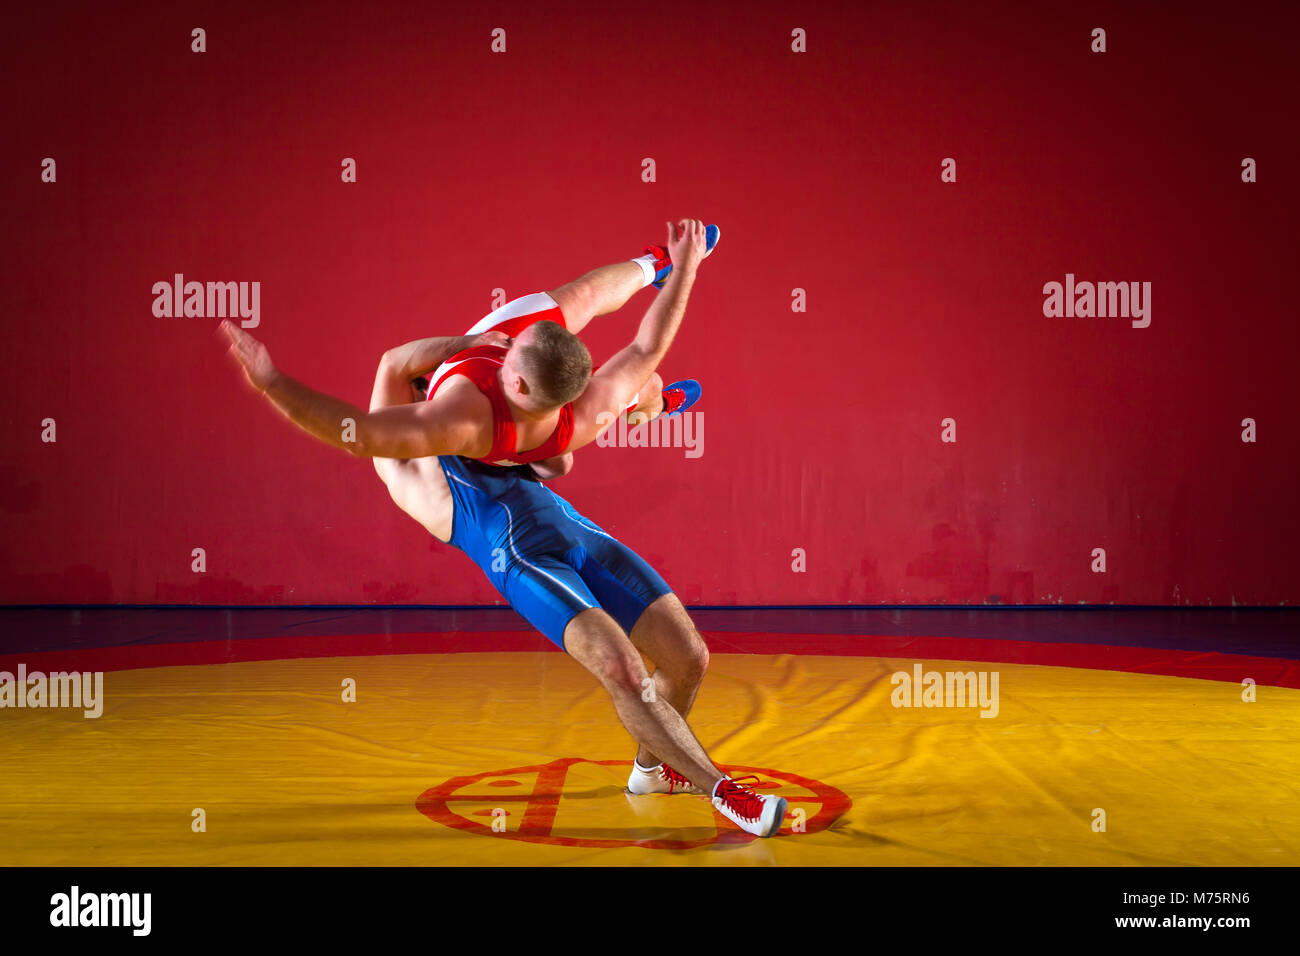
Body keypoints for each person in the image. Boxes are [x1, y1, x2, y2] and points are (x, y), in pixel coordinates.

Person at [222, 220, 787, 837]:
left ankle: (651, 770)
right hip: (518, 552)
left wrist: (274, 380)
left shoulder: (517, 404)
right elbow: (376, 406)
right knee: (621, 663)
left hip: (558, 512)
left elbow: (376, 397)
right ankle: (725, 792)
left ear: (514, 380)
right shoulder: (444, 429)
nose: (493, 351)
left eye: (501, 355)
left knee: (689, 656)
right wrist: (682, 268)